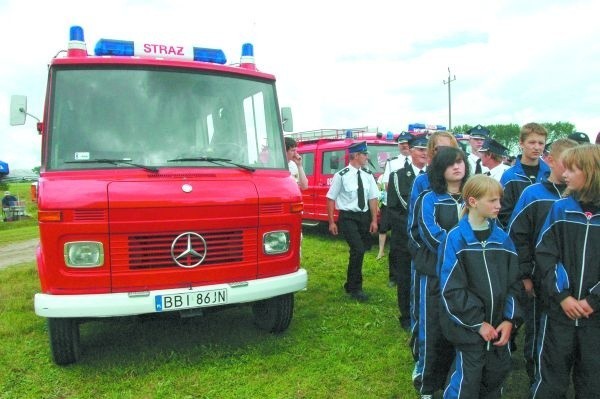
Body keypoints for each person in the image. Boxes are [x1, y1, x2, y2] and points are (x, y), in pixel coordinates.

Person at [439, 174, 522, 399]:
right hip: (470, 331)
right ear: (473, 202)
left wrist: (509, 320)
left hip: (498, 330)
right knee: (467, 382)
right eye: (492, 201)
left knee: (495, 378)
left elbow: (515, 282)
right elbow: (451, 288)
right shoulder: (456, 239)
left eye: (500, 200)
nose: (499, 206)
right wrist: (477, 323)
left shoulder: (503, 240)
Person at [507, 138, 578, 384]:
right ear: (551, 161)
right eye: (566, 163)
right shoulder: (533, 194)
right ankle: (535, 378)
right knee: (537, 332)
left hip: (571, 283)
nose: (570, 169)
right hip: (539, 279)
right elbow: (518, 236)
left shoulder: (579, 198)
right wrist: (525, 274)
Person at [532, 144, 600, 398]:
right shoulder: (561, 209)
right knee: (551, 380)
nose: (565, 175)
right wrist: (564, 296)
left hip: (596, 318)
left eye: (572, 169)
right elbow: (545, 255)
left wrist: (594, 299)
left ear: (591, 171)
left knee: (593, 383)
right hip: (560, 314)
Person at [415, 146, 469, 398]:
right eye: (451, 164)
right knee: (432, 329)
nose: (458, 167)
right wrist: (459, 251)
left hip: (467, 277)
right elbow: (429, 234)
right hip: (436, 276)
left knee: (460, 329)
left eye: (461, 162)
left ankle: (456, 382)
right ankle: (427, 384)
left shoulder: (472, 199)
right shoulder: (429, 199)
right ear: (441, 169)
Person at [407, 131, 460, 384]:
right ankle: (422, 359)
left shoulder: (463, 183)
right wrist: (425, 255)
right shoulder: (423, 183)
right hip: (429, 258)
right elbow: (415, 227)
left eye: (449, 149)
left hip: (456, 262)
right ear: (431, 153)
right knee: (423, 311)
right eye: (438, 150)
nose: (443, 154)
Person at [326, 141, 379, 302]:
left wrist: (374, 220)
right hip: (348, 217)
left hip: (364, 218)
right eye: (364, 154)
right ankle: (356, 288)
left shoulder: (368, 175)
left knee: (358, 251)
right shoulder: (341, 176)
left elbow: (373, 198)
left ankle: (350, 284)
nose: (367, 157)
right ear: (356, 155)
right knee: (358, 249)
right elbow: (330, 198)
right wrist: (331, 222)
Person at [386, 135, 428, 329]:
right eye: (420, 149)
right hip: (405, 237)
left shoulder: (435, 176)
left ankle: (425, 312)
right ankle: (406, 316)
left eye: (428, 149)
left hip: (429, 238)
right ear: (410, 151)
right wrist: (415, 230)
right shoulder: (397, 176)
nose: (424, 153)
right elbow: (394, 209)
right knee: (405, 277)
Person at [499, 122, 550, 227]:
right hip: (517, 237)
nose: (537, 147)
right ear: (521, 143)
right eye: (532, 142)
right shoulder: (509, 176)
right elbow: (503, 213)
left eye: (541, 143)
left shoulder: (550, 174)